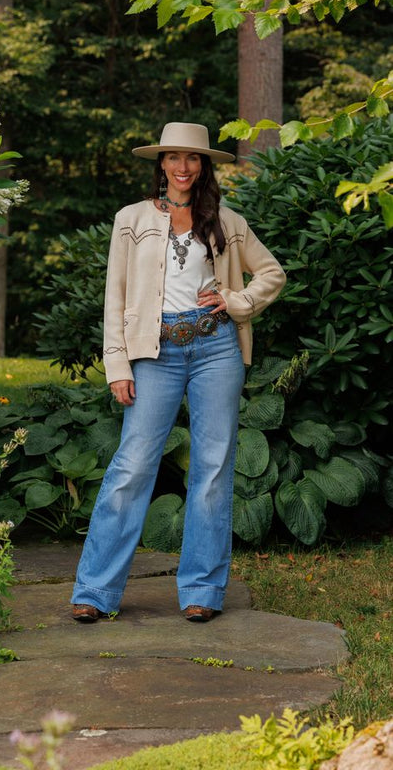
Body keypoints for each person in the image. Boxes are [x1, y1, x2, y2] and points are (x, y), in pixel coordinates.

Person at [71, 122, 286, 623]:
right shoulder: (131, 220)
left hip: (215, 349)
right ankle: (95, 592)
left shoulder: (227, 222)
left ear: (203, 165)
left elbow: (272, 272)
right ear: (161, 163)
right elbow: (115, 297)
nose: (183, 167)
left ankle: (202, 592)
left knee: (211, 471)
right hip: (154, 351)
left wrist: (236, 302)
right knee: (132, 466)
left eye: (193, 159)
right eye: (174, 158)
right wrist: (116, 364)